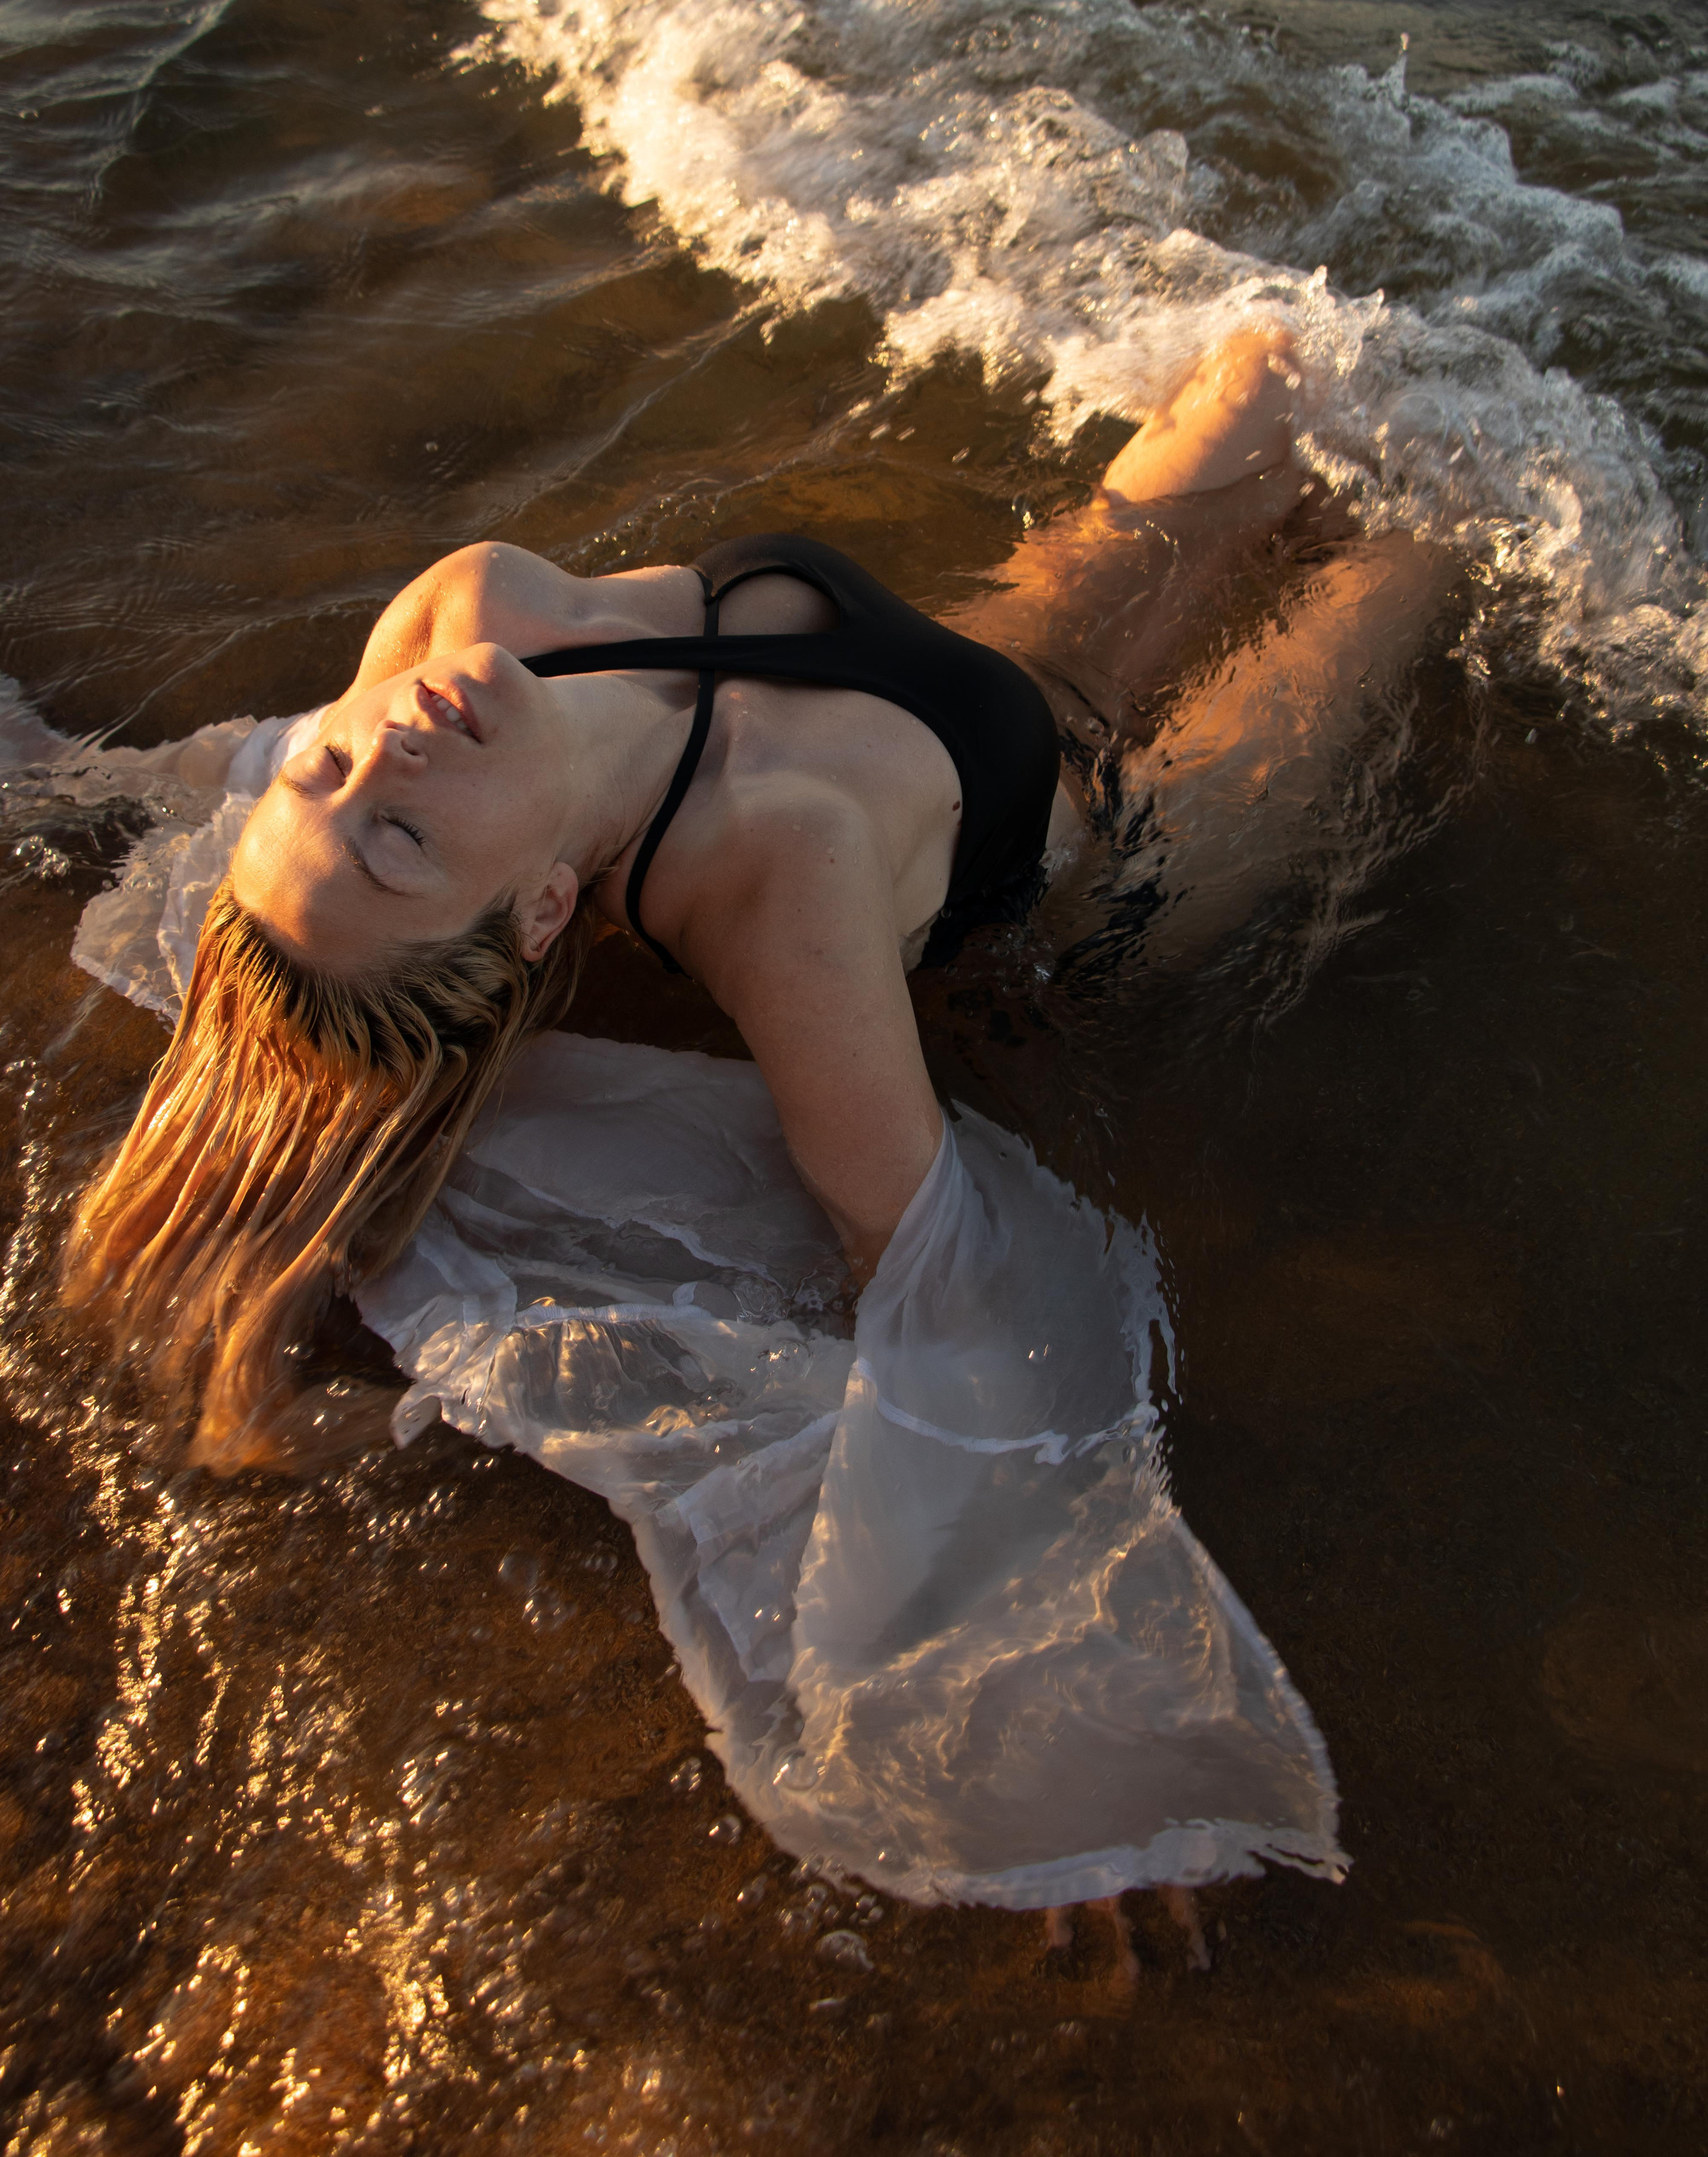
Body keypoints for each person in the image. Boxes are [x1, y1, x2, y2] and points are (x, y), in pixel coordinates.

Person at [63, 326, 1440, 1474]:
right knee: (1435, 533)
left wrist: (66, 780)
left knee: (1283, 365)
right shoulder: (772, 885)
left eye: (331, 778)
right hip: (1109, 868)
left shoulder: (463, 616)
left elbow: (250, 752)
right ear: (543, 913)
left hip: (977, 671)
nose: (387, 754)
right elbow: (909, 1245)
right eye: (402, 839)